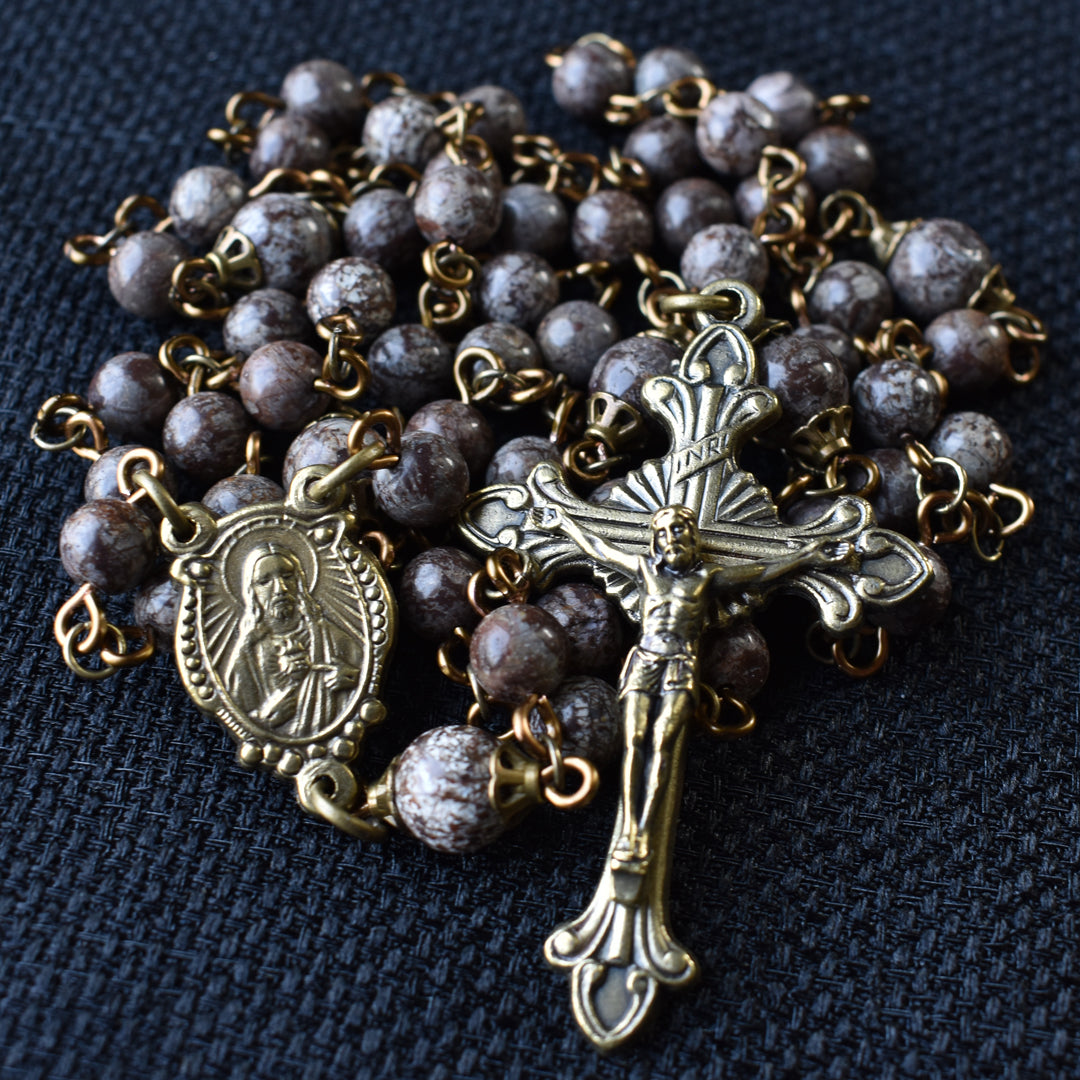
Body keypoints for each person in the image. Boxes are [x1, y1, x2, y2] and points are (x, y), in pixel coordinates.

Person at [534, 502, 851, 874]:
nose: (672, 538)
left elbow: (764, 571)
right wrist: (564, 524)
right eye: (663, 532)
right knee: (634, 743)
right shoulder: (645, 570)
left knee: (661, 746)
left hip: (678, 666)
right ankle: (630, 829)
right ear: (655, 541)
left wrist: (809, 555)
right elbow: (599, 549)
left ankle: (644, 831)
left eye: (679, 529)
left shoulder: (706, 577)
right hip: (644, 663)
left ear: (694, 536)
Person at [224, 542, 363, 739]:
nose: (280, 589)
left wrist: (352, 678)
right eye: (265, 581)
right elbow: (236, 710)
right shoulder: (247, 652)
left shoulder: (332, 637)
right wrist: (265, 720)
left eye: (287, 576)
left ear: (300, 582)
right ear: (251, 591)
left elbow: (362, 672)